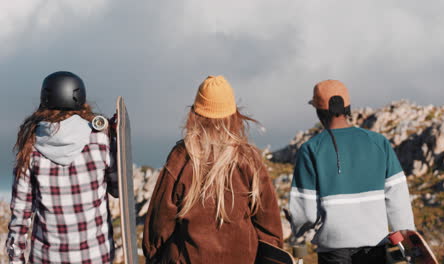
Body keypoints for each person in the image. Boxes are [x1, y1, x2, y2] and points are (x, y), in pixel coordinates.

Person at [143, 75, 283, 264]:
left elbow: (159, 225)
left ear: (195, 114)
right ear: (234, 115)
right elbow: (269, 227)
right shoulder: (249, 160)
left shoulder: (181, 158)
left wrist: (154, 257)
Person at [289, 80, 415, 264]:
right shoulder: (379, 143)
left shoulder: (310, 149)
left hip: (333, 249)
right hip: (376, 247)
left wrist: (298, 229)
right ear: (348, 107)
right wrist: (409, 239)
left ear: (318, 111)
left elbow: (306, 213)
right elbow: (398, 198)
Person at [6, 71, 118, 264]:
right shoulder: (100, 140)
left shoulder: (30, 147)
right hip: (96, 256)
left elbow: (21, 212)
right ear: (80, 98)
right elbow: (118, 189)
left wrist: (16, 259)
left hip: (46, 258)